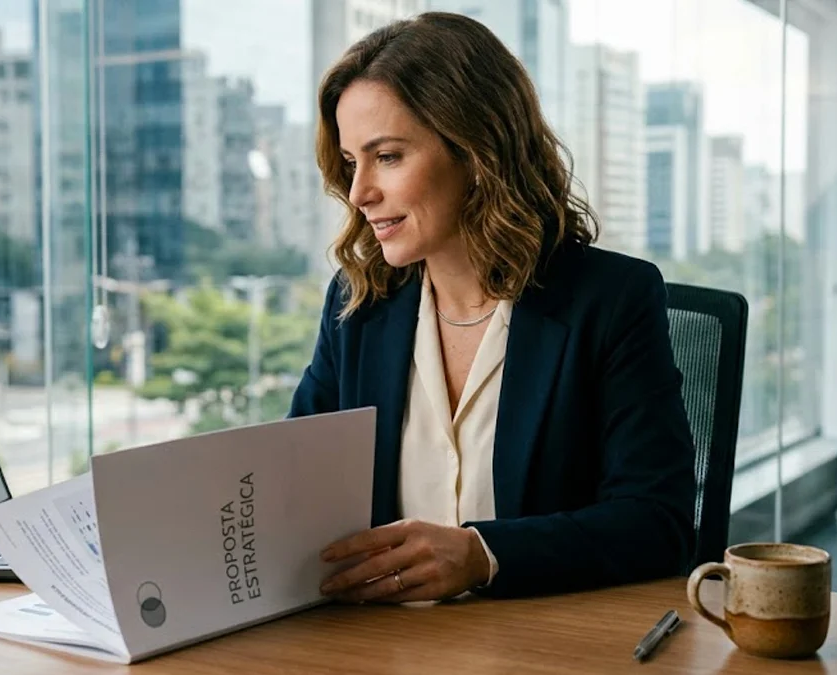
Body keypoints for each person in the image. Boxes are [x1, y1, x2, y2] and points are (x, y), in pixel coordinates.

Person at [290, 12, 696, 603]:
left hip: (540, 648)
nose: (359, 193)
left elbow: (658, 523)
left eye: (389, 156)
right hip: (379, 648)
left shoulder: (610, 300)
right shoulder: (357, 305)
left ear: (477, 151)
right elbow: (294, 488)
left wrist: (484, 555)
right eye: (353, 162)